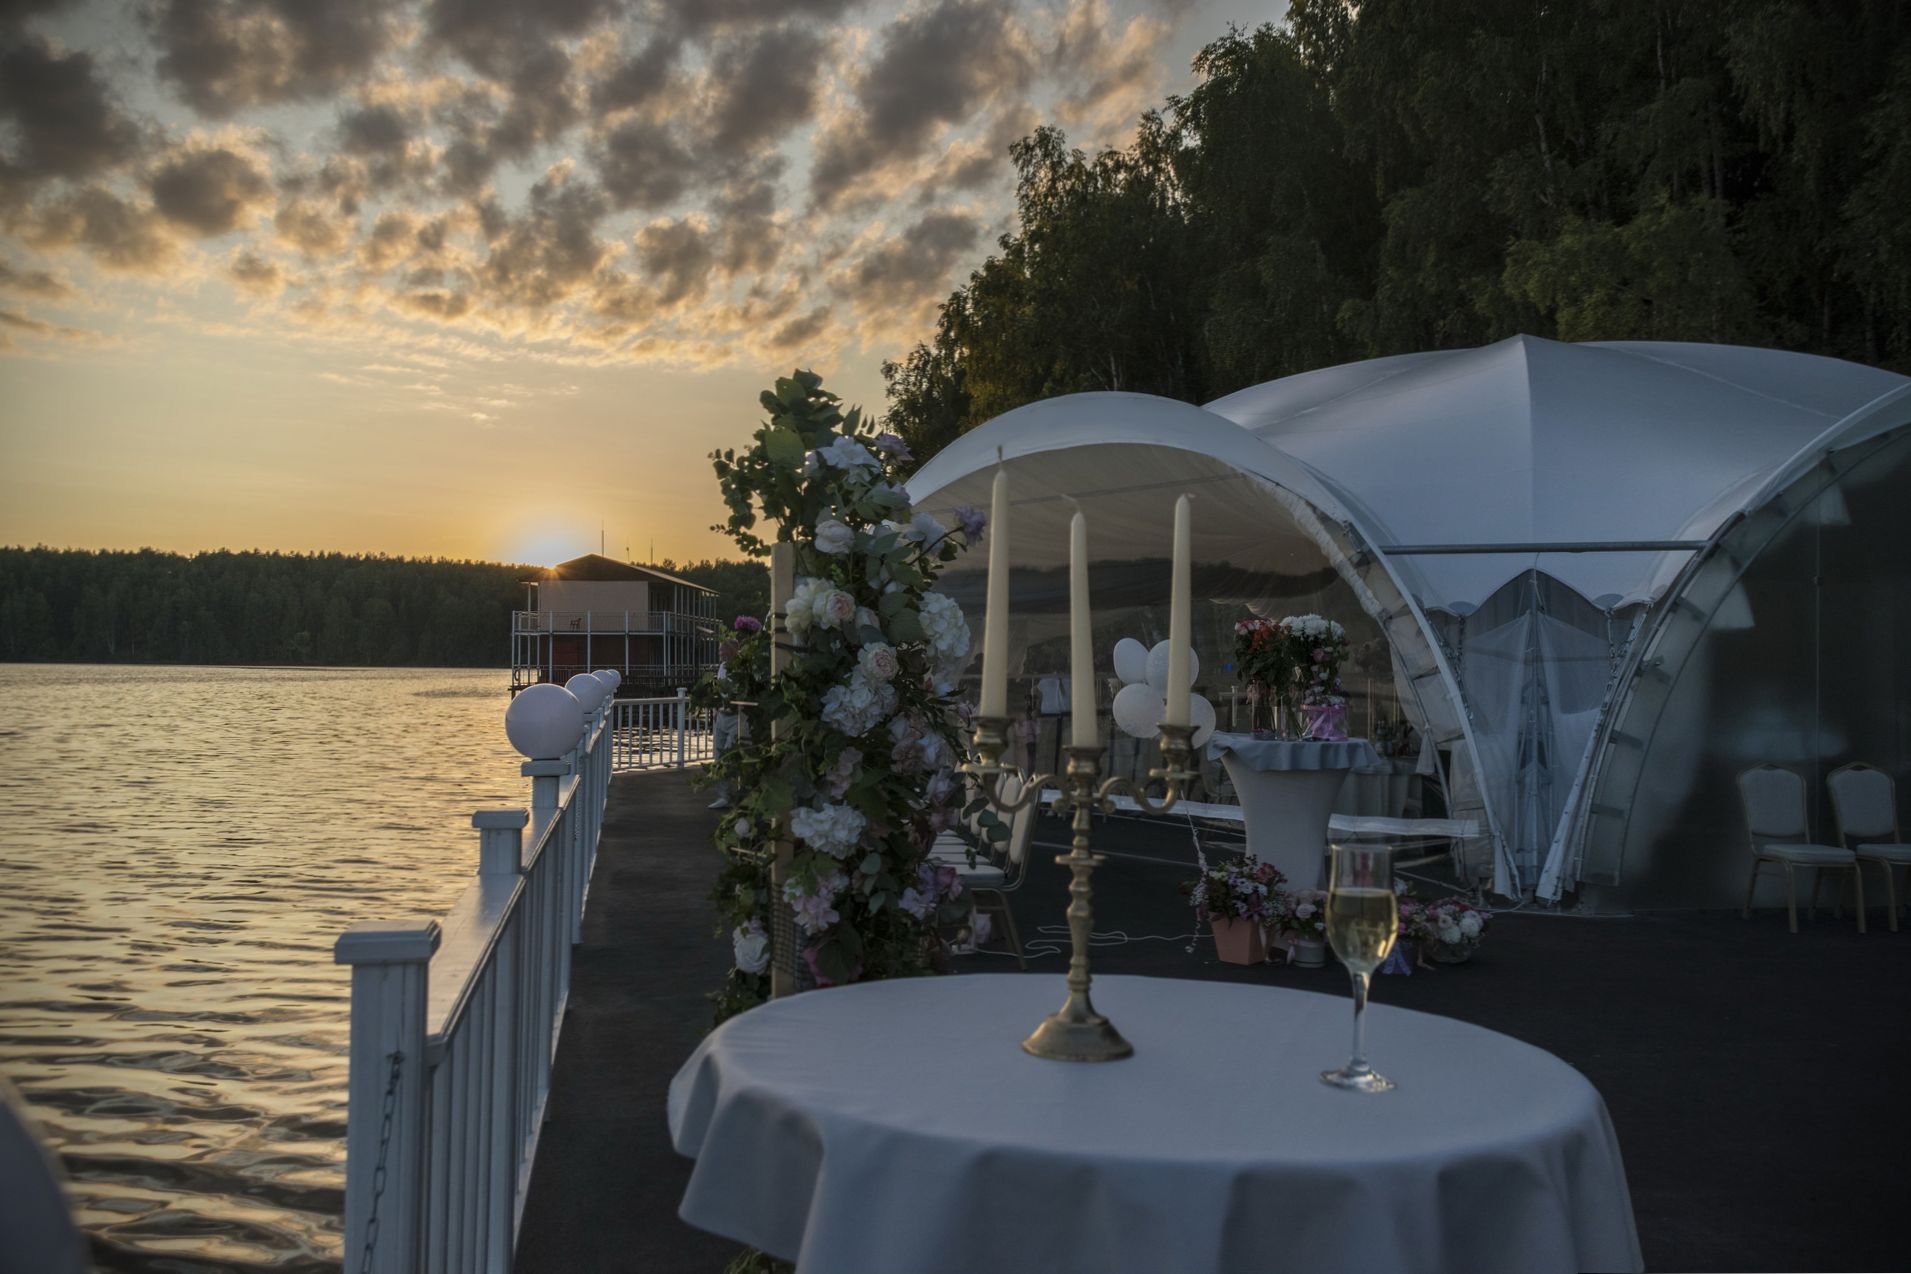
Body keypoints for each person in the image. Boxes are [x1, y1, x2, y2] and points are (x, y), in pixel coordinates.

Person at [708, 639, 740, 809]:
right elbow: (718, 691)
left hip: (736, 717)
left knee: (730, 755)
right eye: (720, 651)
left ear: (732, 651)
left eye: (723, 650)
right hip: (721, 716)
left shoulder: (742, 668)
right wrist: (715, 709)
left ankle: (736, 793)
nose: (720, 654)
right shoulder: (722, 667)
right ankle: (723, 796)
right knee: (718, 756)